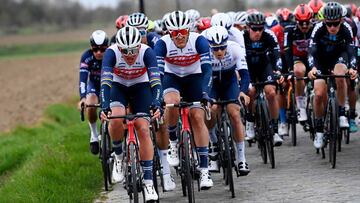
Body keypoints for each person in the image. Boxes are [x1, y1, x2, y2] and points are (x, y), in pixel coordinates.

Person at [100, 26, 162, 201]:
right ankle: (119, 156)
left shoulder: (147, 52)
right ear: (119, 47)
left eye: (133, 50)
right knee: (115, 117)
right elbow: (105, 83)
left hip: (140, 86)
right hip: (118, 87)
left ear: (139, 46)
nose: (129, 54)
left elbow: (156, 82)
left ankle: (149, 182)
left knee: (143, 128)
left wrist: (156, 102)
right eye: (125, 51)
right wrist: (105, 105)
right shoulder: (111, 53)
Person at [154, 10, 214, 190]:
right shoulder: (162, 44)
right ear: (168, 33)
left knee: (197, 116)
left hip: (195, 77)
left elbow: (207, 70)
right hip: (172, 77)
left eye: (183, 32)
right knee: (171, 102)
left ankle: (204, 170)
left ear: (189, 30)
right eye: (174, 33)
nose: (179, 36)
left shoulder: (199, 41)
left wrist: (205, 93)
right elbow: (158, 74)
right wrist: (158, 98)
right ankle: (173, 141)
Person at [127, 11, 176, 191]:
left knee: (160, 122)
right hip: (129, 85)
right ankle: (129, 163)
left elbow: (159, 73)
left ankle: (165, 169)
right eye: (135, 31)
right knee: (127, 119)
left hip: (152, 83)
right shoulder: (120, 42)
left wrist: (159, 97)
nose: (139, 36)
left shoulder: (156, 41)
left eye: (142, 32)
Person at [307, 2, 358, 149]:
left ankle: (341, 113)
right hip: (321, 59)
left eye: (336, 24)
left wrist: (353, 68)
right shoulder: (318, 28)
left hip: (339, 57)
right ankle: (319, 130)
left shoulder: (347, 28)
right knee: (318, 93)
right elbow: (311, 51)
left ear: (341, 20)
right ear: (324, 22)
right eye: (329, 24)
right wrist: (312, 68)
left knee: (340, 75)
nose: (333, 28)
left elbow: (351, 50)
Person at [203, 26, 250, 175]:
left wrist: (243, 92)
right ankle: (214, 143)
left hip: (229, 82)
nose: (219, 52)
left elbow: (244, 74)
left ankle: (241, 158)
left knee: (234, 113)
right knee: (212, 110)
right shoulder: (203, 52)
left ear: (226, 43)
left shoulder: (235, 48)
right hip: (212, 83)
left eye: (222, 48)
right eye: (215, 49)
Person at [243, 12, 284, 146]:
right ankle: (250, 121)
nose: (258, 32)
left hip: (263, 67)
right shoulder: (242, 37)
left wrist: (278, 71)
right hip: (248, 68)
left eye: (261, 28)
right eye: (254, 29)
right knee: (251, 92)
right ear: (248, 27)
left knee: (271, 92)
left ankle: (275, 129)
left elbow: (277, 53)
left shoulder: (269, 35)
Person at [78, 30, 109, 155]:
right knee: (90, 104)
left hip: (109, 86)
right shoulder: (86, 56)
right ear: (91, 47)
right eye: (95, 49)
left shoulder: (111, 55)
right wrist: (82, 97)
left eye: (102, 49)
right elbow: (83, 79)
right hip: (94, 85)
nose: (99, 53)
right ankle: (94, 135)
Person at [284, 4, 314, 124]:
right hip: (299, 58)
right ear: (296, 21)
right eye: (301, 23)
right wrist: (290, 68)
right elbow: (287, 50)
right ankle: (301, 107)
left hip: (313, 58)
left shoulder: (316, 28)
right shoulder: (289, 30)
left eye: (307, 22)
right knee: (298, 72)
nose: (305, 26)